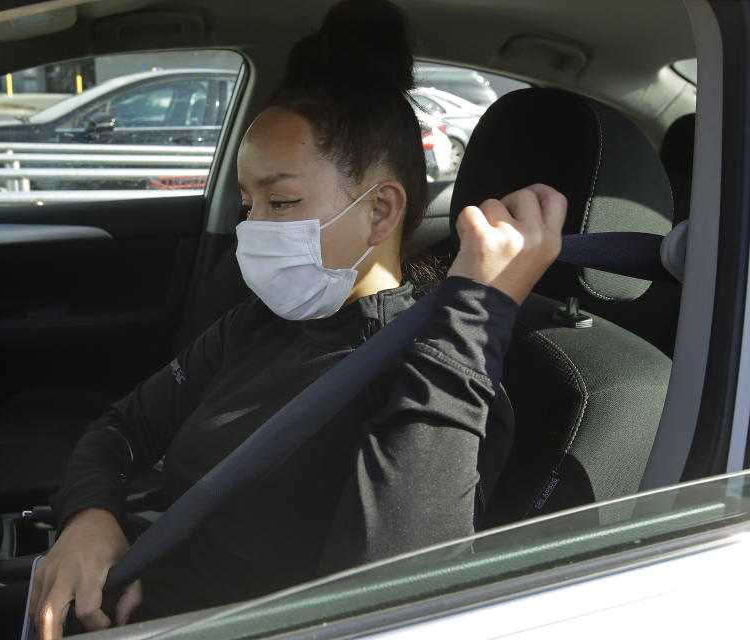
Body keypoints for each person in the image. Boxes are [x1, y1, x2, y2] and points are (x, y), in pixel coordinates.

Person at [29, 0, 566, 637]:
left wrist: (475, 315)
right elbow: (121, 428)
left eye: (281, 201)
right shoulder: (254, 325)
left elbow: (389, 601)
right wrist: (92, 518)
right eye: (248, 202)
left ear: (381, 211)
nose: (251, 229)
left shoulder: (438, 370)